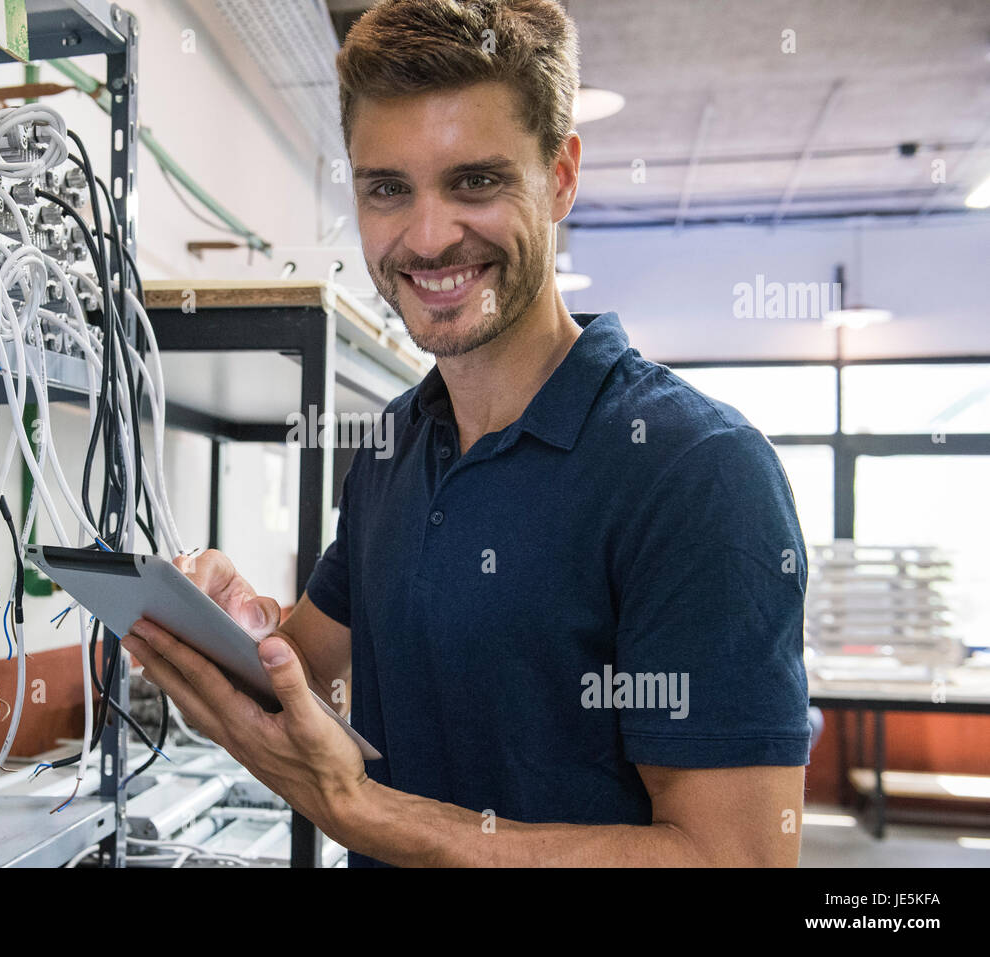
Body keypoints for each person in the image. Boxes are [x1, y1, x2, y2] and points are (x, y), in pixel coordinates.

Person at [121, 0, 811, 867]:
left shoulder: (696, 471)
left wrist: (360, 811)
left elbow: (735, 858)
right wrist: (223, 629)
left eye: (475, 182)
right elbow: (308, 668)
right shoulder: (395, 446)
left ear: (560, 177)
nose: (429, 236)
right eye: (388, 189)